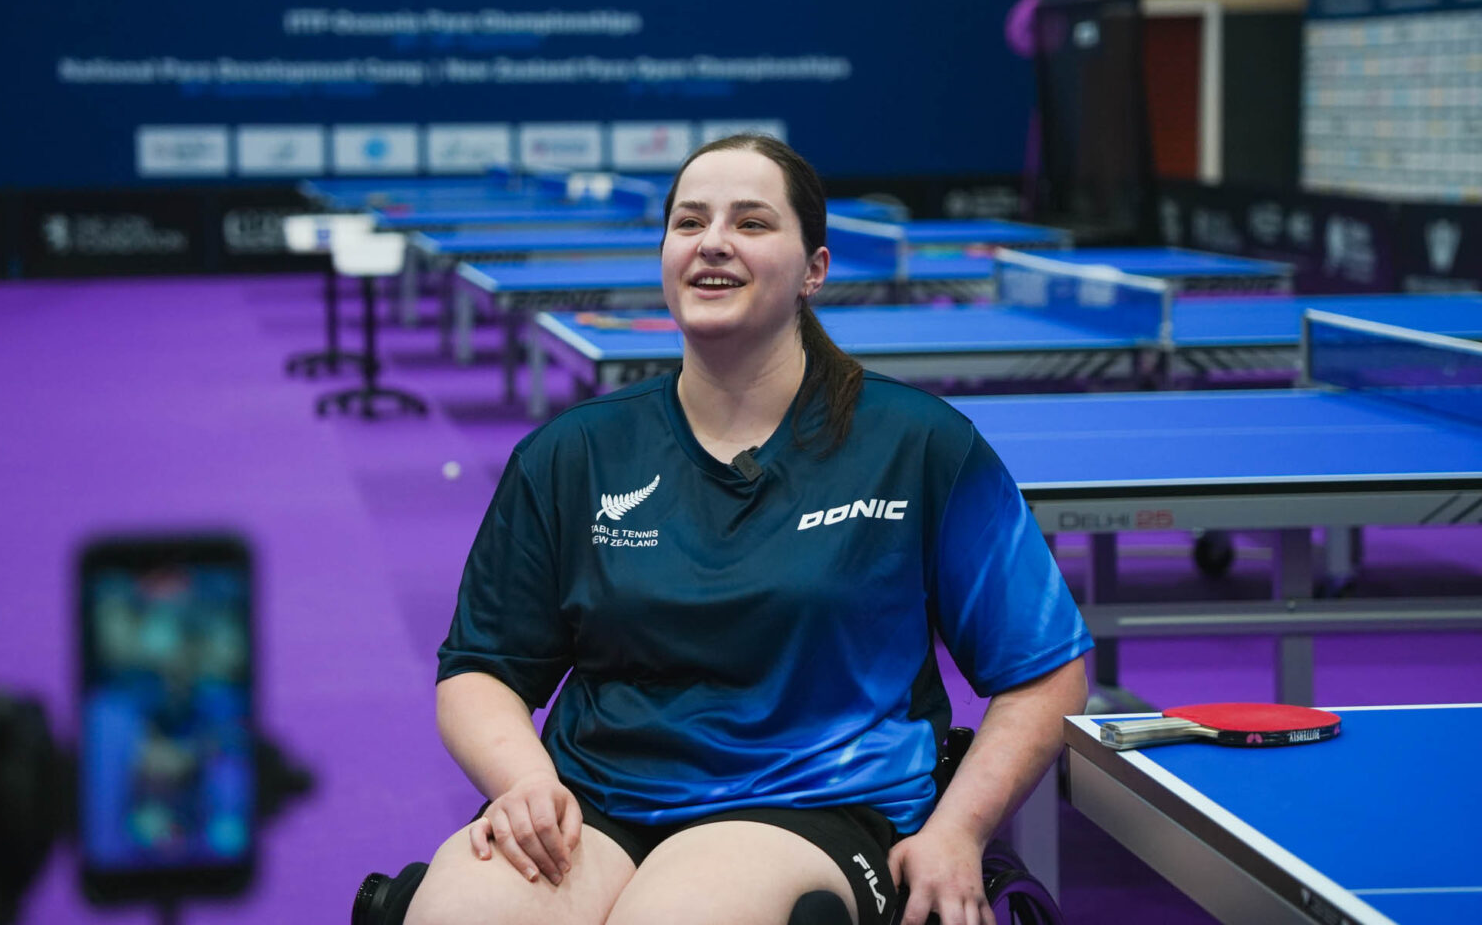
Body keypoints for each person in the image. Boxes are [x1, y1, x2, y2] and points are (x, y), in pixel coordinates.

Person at [407, 135, 1092, 925]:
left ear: (815, 269)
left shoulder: (920, 445)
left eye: (752, 223)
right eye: (689, 221)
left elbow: (1045, 670)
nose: (713, 242)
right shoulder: (572, 453)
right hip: (595, 798)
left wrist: (960, 828)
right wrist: (524, 780)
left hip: (818, 803)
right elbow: (479, 670)